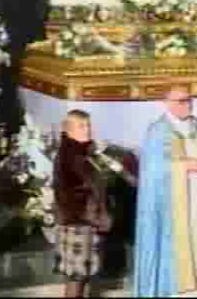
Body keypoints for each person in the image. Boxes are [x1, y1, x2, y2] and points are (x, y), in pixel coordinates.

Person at [133, 85, 197, 297]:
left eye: (189, 99)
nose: (187, 104)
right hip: (174, 205)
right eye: (181, 101)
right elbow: (151, 170)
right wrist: (183, 166)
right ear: (167, 103)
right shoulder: (157, 130)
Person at [53, 110, 112, 298]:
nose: (87, 130)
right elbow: (73, 194)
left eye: (88, 125)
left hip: (83, 222)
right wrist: (96, 217)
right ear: (68, 129)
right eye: (81, 126)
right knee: (77, 278)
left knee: (81, 277)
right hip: (78, 223)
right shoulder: (71, 154)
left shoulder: (80, 151)